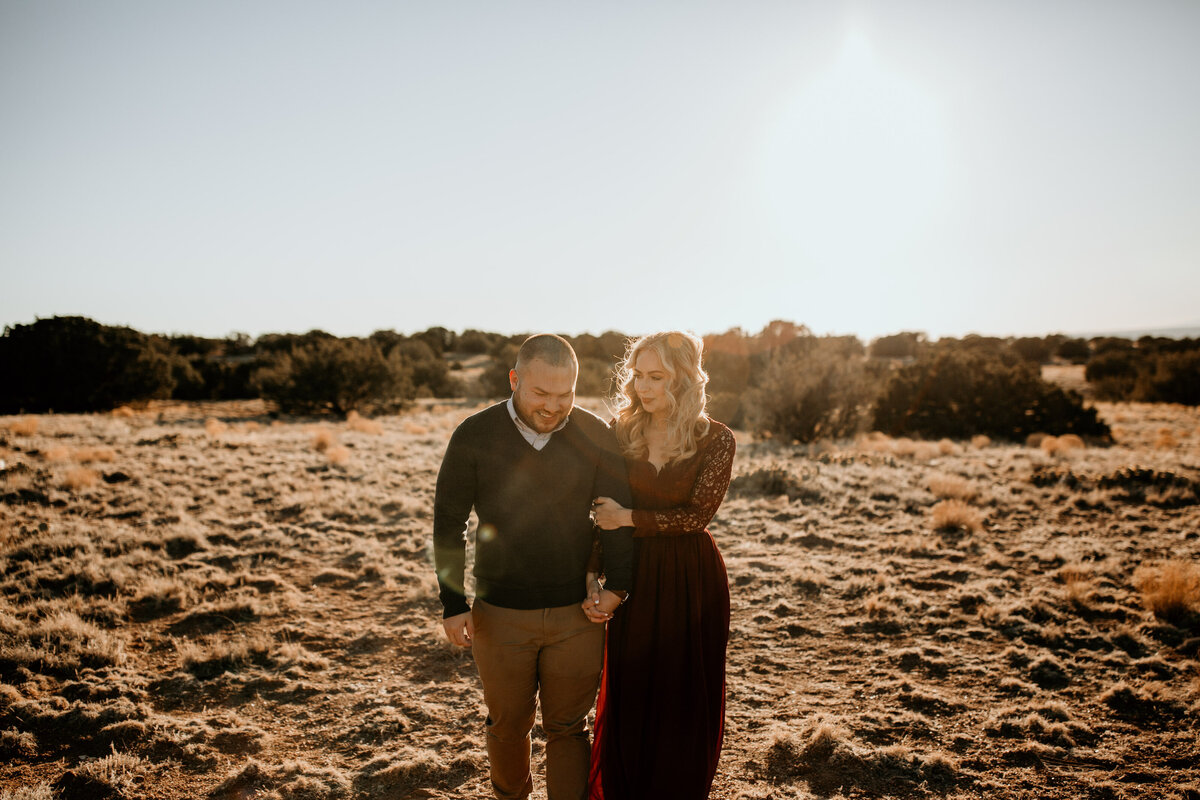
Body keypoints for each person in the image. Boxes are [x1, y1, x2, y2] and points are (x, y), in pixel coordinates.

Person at [433, 333, 635, 800]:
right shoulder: (474, 434)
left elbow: (615, 517)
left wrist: (617, 585)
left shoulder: (594, 434)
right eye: (540, 393)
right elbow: (449, 524)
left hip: (577, 615)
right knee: (507, 726)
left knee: (568, 728)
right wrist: (451, 602)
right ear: (514, 379)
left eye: (565, 395)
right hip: (499, 614)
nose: (553, 406)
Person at [584, 331, 735, 800]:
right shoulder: (621, 430)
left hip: (691, 576)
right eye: (638, 375)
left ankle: (677, 786)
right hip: (635, 571)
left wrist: (628, 517)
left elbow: (697, 515)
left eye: (657, 376)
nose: (643, 387)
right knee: (631, 680)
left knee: (682, 685)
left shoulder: (716, 439)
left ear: (686, 378)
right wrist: (594, 572)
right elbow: (599, 507)